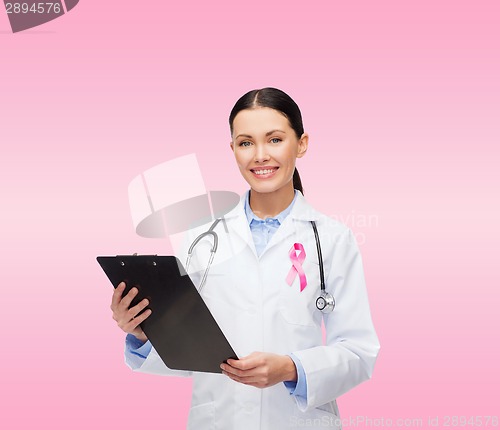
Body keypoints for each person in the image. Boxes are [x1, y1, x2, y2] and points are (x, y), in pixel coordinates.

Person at [110, 87, 380, 429]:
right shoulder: (201, 239)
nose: (260, 155)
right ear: (233, 149)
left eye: (275, 139)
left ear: (302, 143)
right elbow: (188, 350)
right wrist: (143, 333)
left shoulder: (333, 239)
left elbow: (358, 351)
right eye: (246, 142)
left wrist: (291, 368)